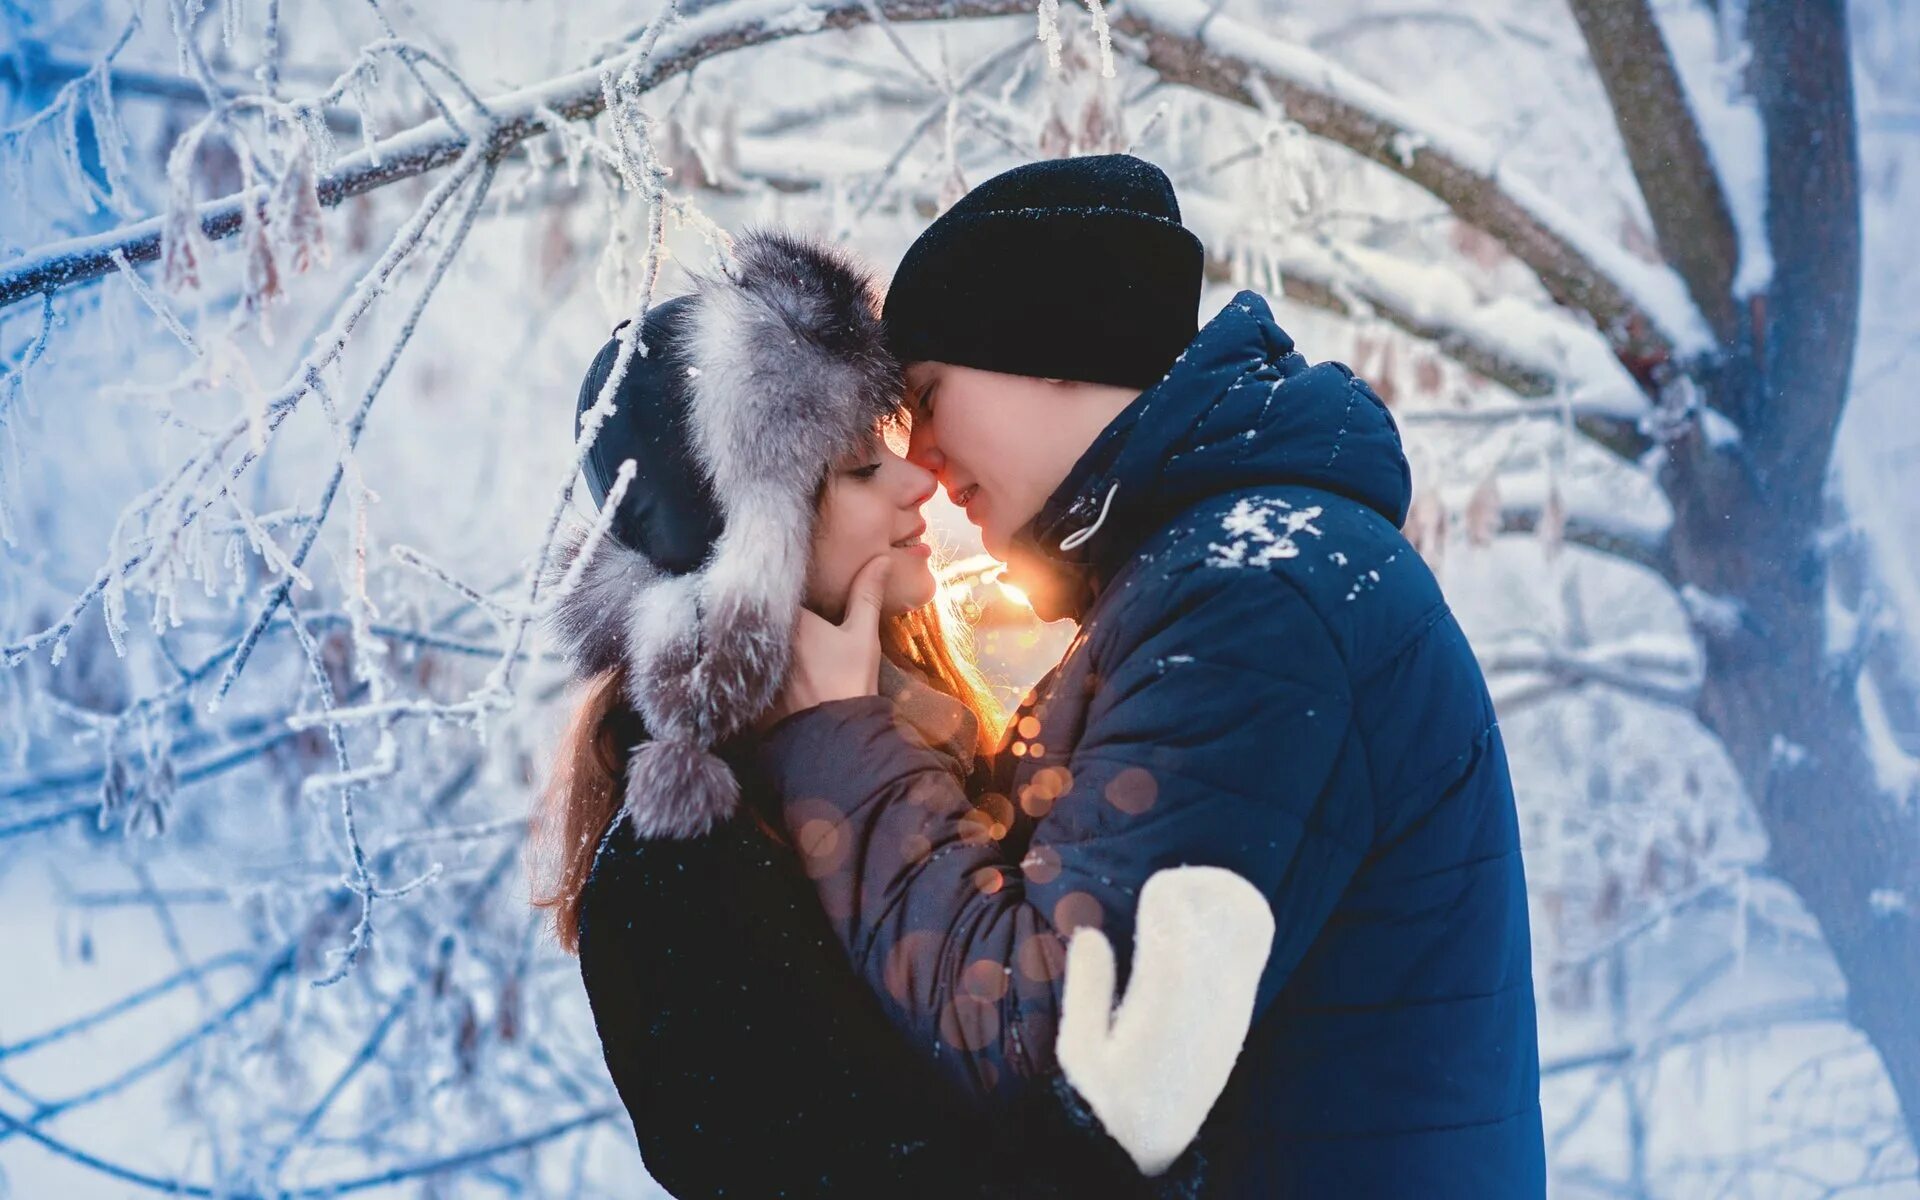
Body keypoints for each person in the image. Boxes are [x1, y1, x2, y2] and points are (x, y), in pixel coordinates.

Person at [756, 154, 1549, 1198]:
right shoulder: (1223, 573)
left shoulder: (1256, 595)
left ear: (1050, 352)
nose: (931, 465)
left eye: (932, 398)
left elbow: (1057, 1041)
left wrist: (841, 738)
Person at [529, 229, 1219, 1198]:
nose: (919, 481)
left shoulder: (932, 730)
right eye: (858, 468)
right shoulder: (675, 871)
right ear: (747, 542)